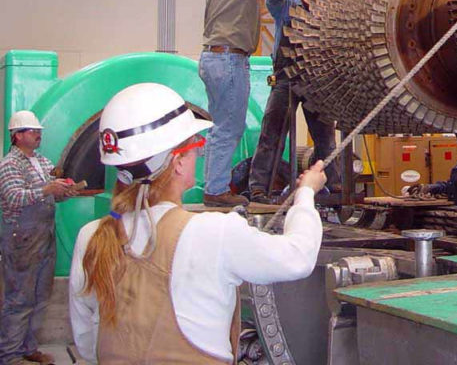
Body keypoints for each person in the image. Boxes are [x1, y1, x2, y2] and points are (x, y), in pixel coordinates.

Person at [69, 83, 325, 364]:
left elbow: (88, 343)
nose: (198, 155)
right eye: (197, 147)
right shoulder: (214, 232)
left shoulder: (91, 236)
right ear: (177, 162)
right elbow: (298, 257)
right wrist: (305, 195)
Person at [200, 0, 303, 207]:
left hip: (214, 58)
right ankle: (216, 190)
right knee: (229, 128)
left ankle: (213, 186)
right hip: (228, 60)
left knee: (220, 127)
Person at [249, 0, 341, 203]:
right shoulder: (286, 5)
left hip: (316, 82)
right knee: (272, 133)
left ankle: (334, 184)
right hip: (285, 79)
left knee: (325, 139)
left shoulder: (327, 11)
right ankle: (259, 187)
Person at [0, 111, 73, 365]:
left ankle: (29, 347)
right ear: (17, 136)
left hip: (44, 235)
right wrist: (47, 189)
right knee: (19, 298)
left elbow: (52, 192)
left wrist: (64, 190)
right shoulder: (9, 164)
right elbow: (14, 197)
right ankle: (9, 355)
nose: (38, 134)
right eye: (33, 131)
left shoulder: (42, 162)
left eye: (38, 131)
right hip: (22, 239)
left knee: (41, 296)